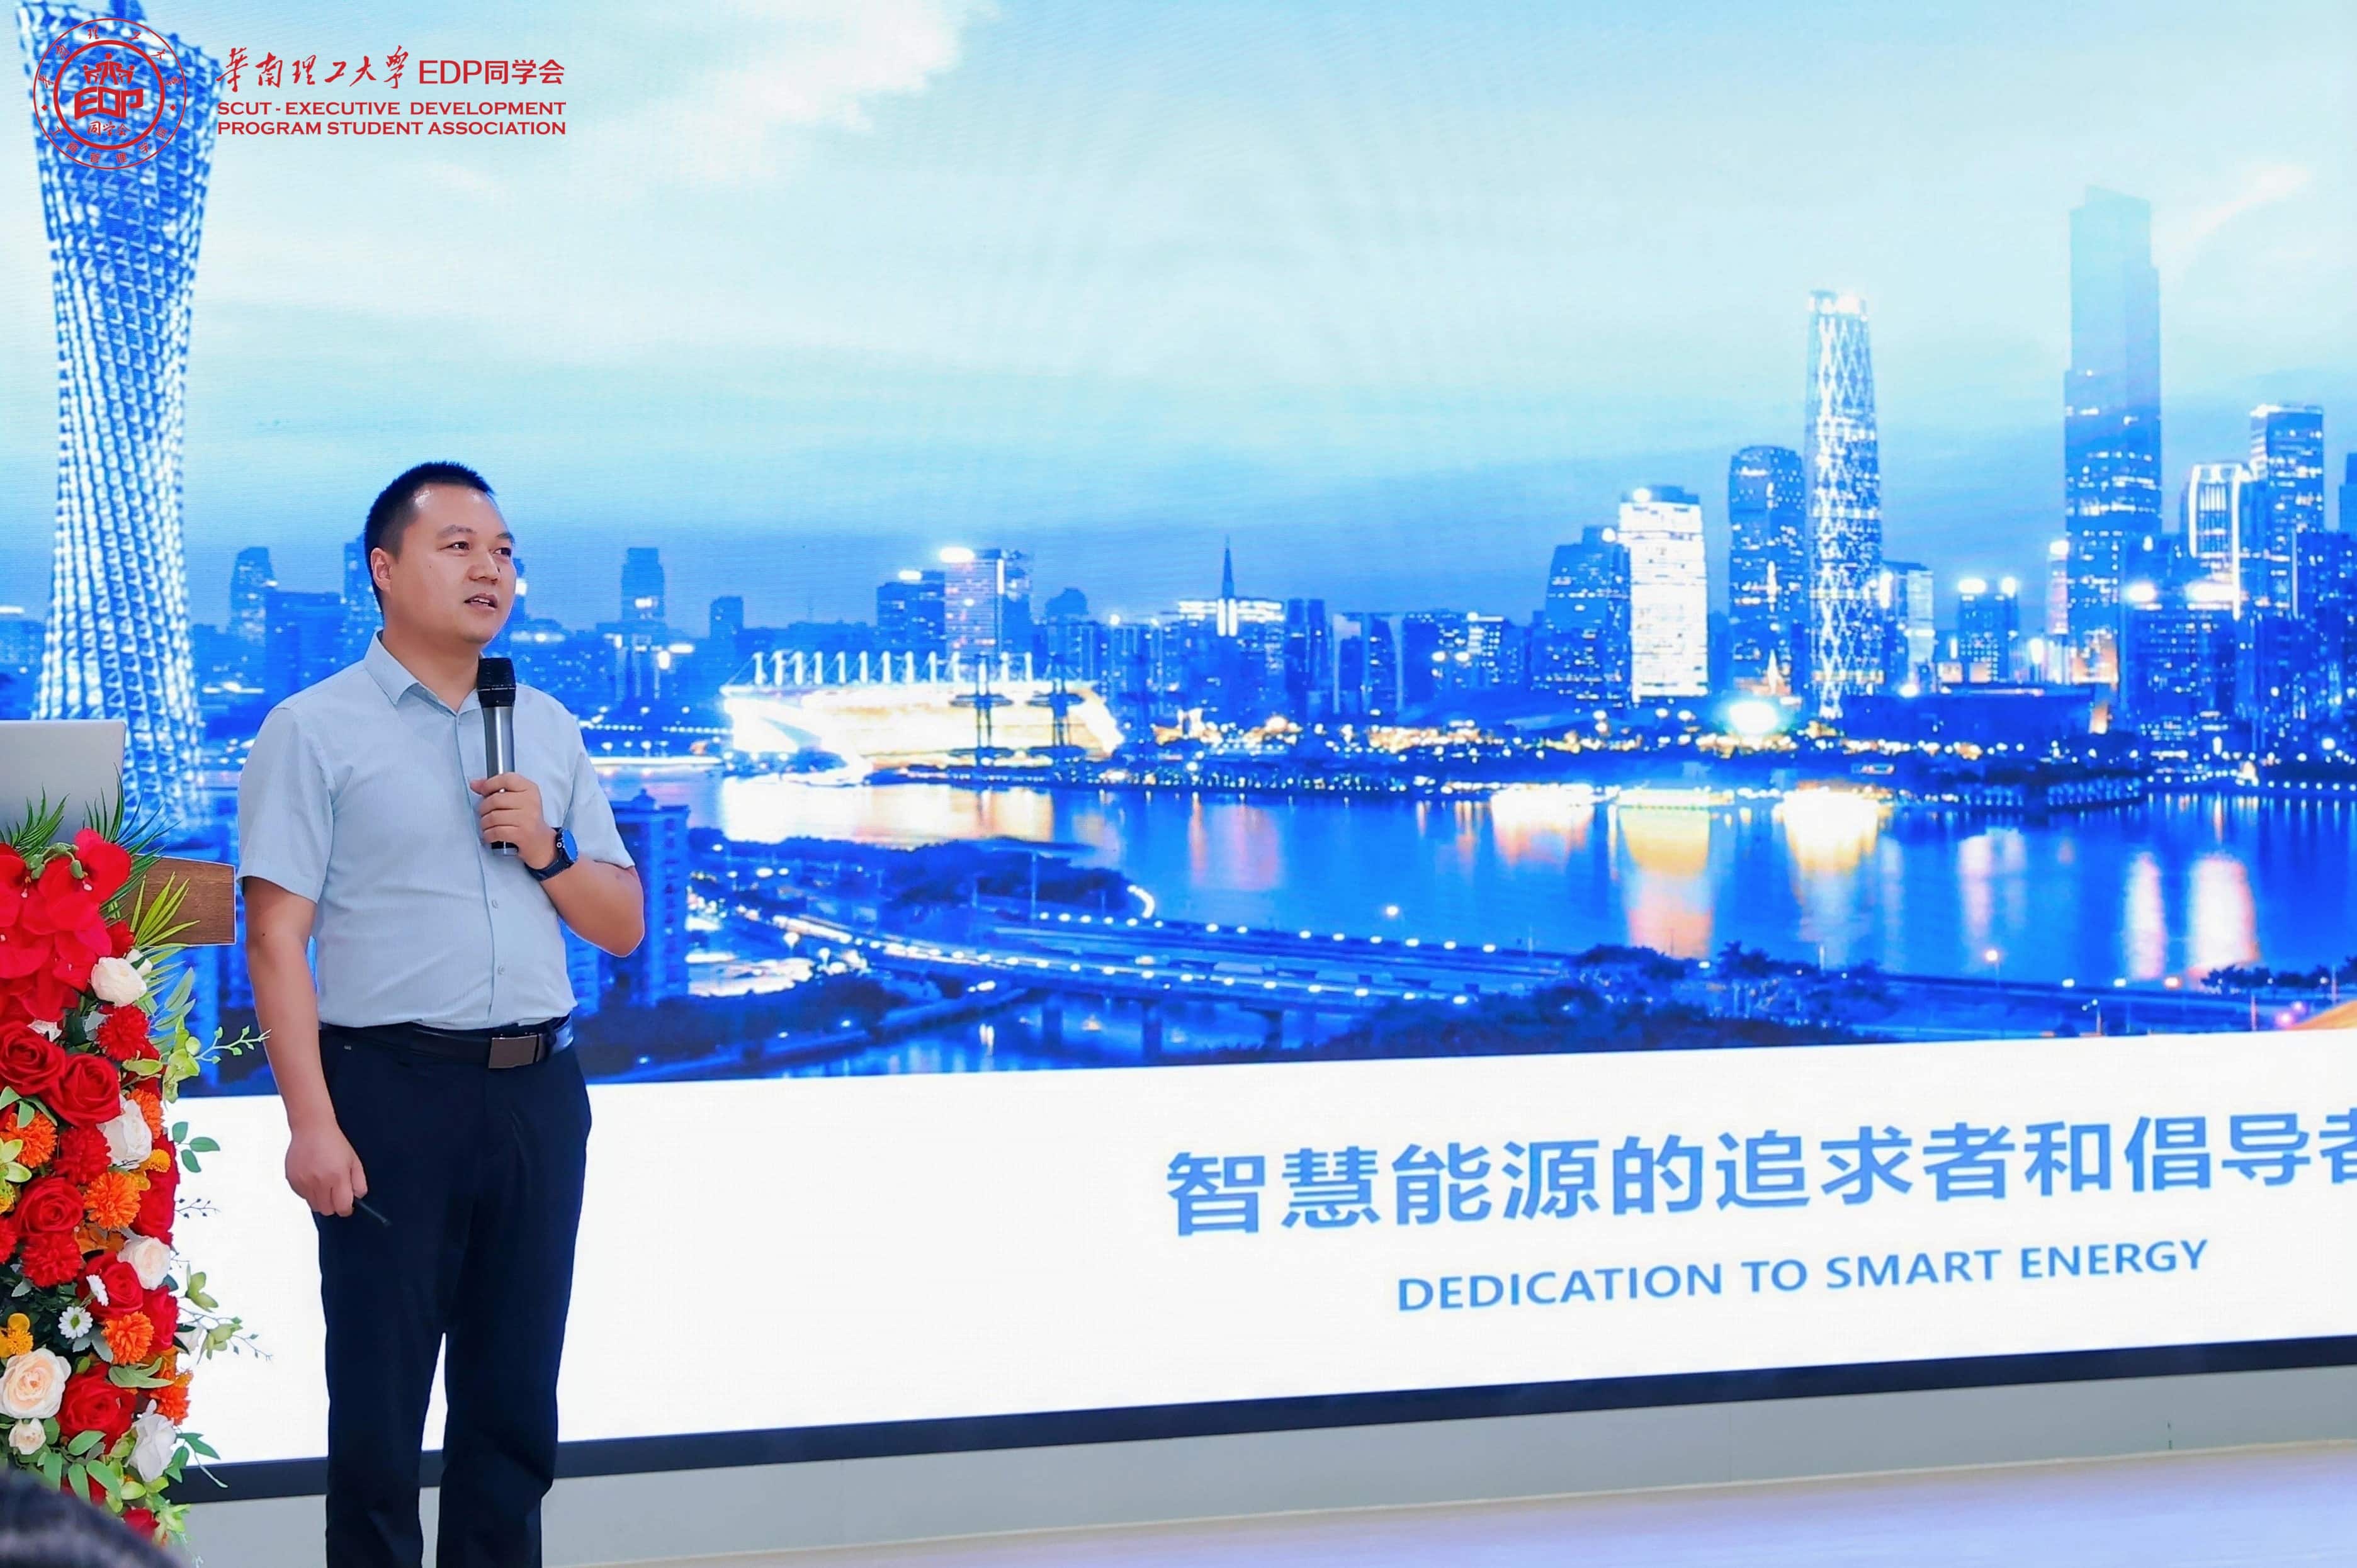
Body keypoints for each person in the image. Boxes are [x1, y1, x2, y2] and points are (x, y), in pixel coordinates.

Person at [236, 462, 645, 1567]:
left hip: (540, 1095)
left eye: (503, 551)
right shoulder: (312, 729)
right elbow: (274, 939)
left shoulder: (545, 726)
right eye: (458, 545)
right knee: (379, 1417)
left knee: (513, 1416)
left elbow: (621, 924)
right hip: (390, 1095)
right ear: (383, 569)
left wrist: (547, 847)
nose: (489, 569)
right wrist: (311, 1125)